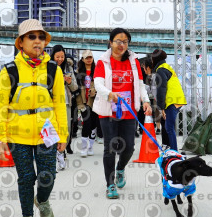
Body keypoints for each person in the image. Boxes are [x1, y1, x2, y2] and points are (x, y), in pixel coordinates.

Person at [0, 19, 68, 217]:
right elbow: (0, 105)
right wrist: (1, 136)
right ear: (21, 42)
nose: (37, 41)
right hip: (18, 134)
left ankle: (42, 200)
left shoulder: (53, 70)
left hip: (47, 134)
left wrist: (63, 134)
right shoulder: (9, 70)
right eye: (32, 37)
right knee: (26, 178)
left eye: (41, 37)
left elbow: (59, 104)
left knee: (48, 176)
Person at [93, 28, 152, 199]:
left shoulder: (134, 62)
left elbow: (140, 85)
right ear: (110, 42)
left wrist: (145, 100)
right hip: (108, 111)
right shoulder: (103, 62)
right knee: (110, 148)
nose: (122, 45)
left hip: (129, 111)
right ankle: (110, 184)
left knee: (129, 148)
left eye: (125, 42)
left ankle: (120, 169)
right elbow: (98, 84)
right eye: (118, 41)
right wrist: (110, 94)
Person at [149, 49, 187, 151]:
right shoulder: (167, 67)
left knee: (169, 128)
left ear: (155, 59)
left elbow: (161, 90)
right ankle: (173, 150)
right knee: (169, 127)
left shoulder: (161, 70)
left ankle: (174, 152)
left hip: (172, 101)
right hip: (177, 99)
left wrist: (161, 108)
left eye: (152, 59)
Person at [51, 45, 78, 168]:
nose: (60, 59)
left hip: (66, 102)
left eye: (62, 56)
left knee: (65, 129)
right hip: (51, 103)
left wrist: (69, 81)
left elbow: (75, 87)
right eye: (57, 57)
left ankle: (61, 152)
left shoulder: (68, 67)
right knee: (52, 129)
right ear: (53, 56)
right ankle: (53, 155)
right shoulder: (48, 67)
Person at [76, 50, 100, 157]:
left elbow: (102, 85)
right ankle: (84, 147)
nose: (89, 59)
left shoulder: (97, 71)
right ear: (82, 59)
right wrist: (80, 104)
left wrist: (95, 90)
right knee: (86, 123)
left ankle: (90, 147)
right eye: (86, 58)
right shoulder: (78, 72)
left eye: (90, 57)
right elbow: (76, 90)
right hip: (84, 101)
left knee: (94, 124)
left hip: (95, 101)